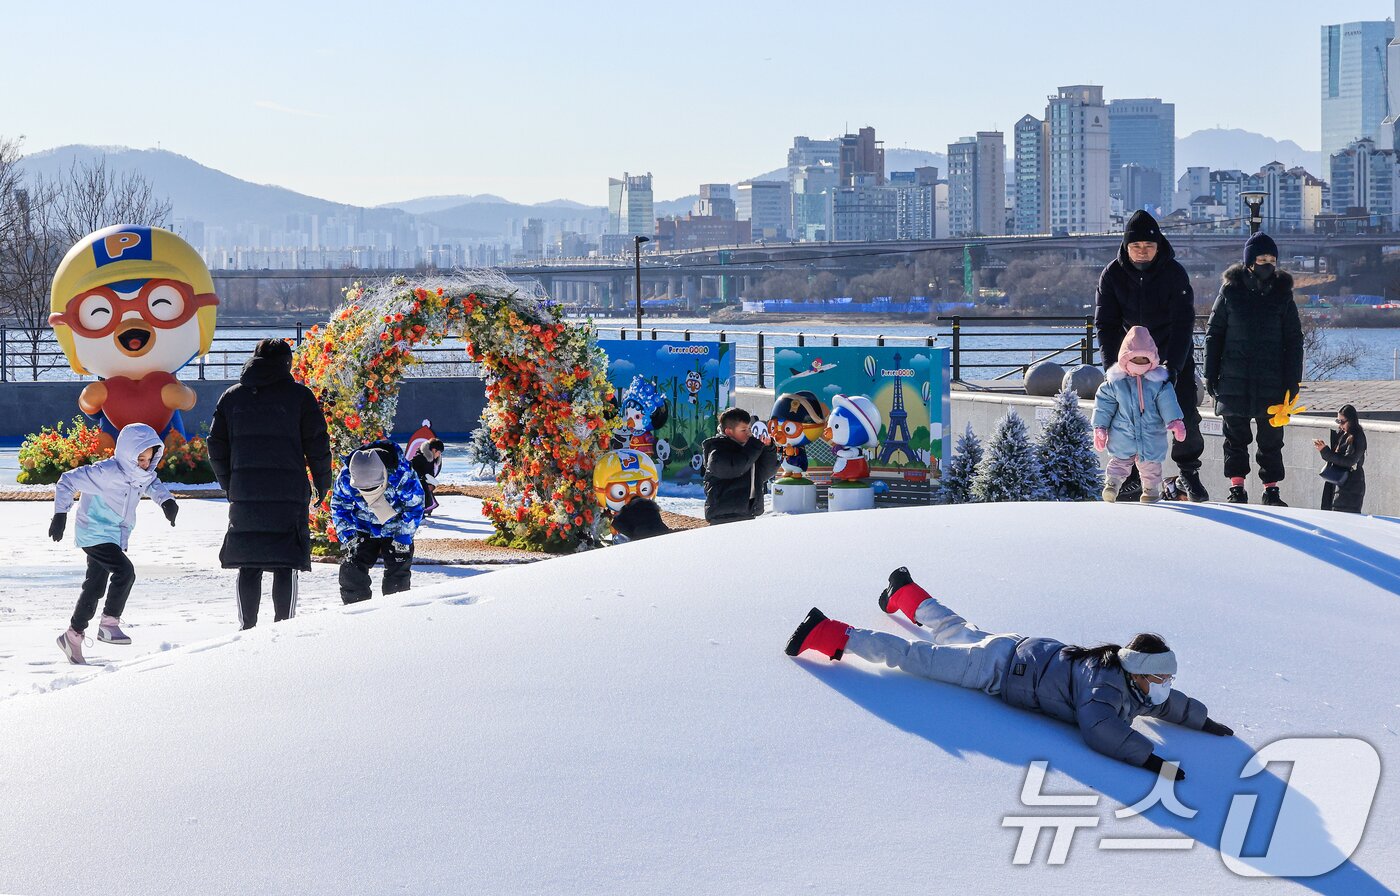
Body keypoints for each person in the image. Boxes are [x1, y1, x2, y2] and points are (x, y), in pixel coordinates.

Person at [785, 568, 1233, 778]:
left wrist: (1204, 721)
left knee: (956, 629)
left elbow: (1167, 704)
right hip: (996, 670)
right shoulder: (1104, 688)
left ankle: (904, 593)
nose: (1164, 688)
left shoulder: (1126, 675)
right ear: (1140, 673)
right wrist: (1155, 763)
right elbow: (1100, 731)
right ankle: (826, 632)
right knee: (914, 656)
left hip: (1012, 648)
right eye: (1159, 679)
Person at [208, 338, 333, 630]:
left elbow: (216, 446)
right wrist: (322, 482)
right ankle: (284, 628)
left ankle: (246, 627)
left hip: (245, 493)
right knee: (285, 562)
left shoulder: (231, 397)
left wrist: (229, 484)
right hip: (288, 493)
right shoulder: (300, 397)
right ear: (286, 363)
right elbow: (317, 444)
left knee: (248, 563)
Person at [1094, 210, 1207, 502]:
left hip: (1169, 353)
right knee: (1126, 418)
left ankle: (1188, 471)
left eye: (1148, 246)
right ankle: (1131, 477)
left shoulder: (1174, 273)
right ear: (1126, 247)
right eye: (1136, 246)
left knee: (1184, 414)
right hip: (1128, 361)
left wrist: (1174, 367)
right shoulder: (1112, 274)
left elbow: (1184, 323)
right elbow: (1105, 324)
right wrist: (1113, 368)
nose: (1142, 252)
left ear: (1159, 246)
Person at [50, 423, 179, 664]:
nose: (143, 463)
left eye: (148, 459)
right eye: (139, 458)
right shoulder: (106, 472)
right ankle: (109, 623)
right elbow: (67, 481)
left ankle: (72, 636)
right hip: (93, 531)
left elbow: (153, 483)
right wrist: (60, 515)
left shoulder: (143, 474)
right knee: (125, 571)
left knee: (94, 587)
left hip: (113, 536)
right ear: (127, 453)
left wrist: (167, 502)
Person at [1204, 232, 1304, 506]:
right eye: (1262, 259)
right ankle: (1237, 487)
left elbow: (1294, 340)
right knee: (1235, 437)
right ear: (1249, 261)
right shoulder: (1230, 292)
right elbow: (1214, 335)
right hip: (1233, 379)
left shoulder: (1282, 295)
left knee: (1271, 439)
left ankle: (1271, 489)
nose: (1268, 264)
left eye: (1272, 259)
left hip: (1272, 380)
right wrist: (1209, 375)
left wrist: (1293, 381)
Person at [1092, 326, 1186, 504]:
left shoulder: (1158, 384)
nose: (1140, 362)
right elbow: (1104, 406)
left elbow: (1167, 402)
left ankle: (1150, 491)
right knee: (1119, 462)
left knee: (1150, 465)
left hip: (1150, 433)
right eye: (1135, 358)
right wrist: (1100, 427)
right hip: (1123, 433)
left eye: (1144, 359)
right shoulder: (1116, 383)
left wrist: (1175, 421)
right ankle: (1111, 485)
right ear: (1125, 358)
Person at [331, 439, 425, 604]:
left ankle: (395, 612)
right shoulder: (346, 475)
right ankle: (357, 611)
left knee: (397, 578)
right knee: (351, 572)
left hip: (397, 527)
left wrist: (403, 535)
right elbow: (339, 506)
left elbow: (415, 506)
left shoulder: (402, 474)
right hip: (363, 526)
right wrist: (348, 535)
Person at [702, 407, 779, 525]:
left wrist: (768, 449)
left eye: (749, 428)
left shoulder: (749, 450)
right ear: (729, 431)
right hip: (723, 516)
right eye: (743, 430)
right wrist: (754, 446)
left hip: (747, 513)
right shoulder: (717, 450)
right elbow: (737, 468)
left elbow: (767, 472)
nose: (749, 433)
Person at [1315, 404, 1367, 513]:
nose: (1340, 425)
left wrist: (1326, 451)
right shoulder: (1342, 434)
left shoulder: (1357, 436)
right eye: (1338, 421)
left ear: (1352, 420)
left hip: (1350, 486)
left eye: (1342, 421)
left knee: (1344, 518)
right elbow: (1337, 458)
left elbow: (1349, 461)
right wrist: (1324, 450)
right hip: (1337, 483)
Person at [411, 438, 444, 517]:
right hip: (417, 484)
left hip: (425, 483)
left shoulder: (431, 459)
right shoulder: (420, 458)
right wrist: (424, 477)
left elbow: (430, 472)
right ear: (433, 450)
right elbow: (413, 470)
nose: (439, 455)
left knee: (427, 502)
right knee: (421, 501)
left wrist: (431, 482)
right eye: (439, 452)